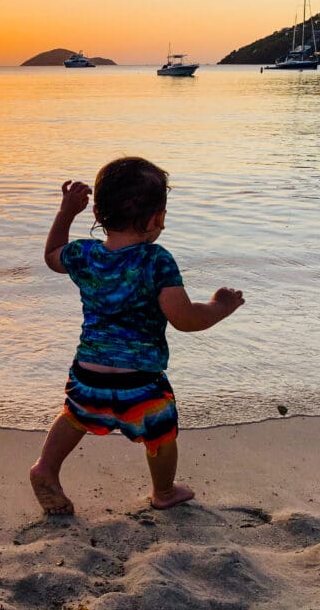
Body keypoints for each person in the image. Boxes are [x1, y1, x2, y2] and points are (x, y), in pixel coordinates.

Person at [29, 156, 244, 515]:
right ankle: (163, 491)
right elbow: (185, 319)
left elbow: (52, 256)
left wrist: (66, 212)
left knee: (75, 416)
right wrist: (220, 306)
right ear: (158, 217)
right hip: (140, 381)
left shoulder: (84, 254)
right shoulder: (156, 261)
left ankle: (45, 467)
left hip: (88, 372)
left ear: (97, 214)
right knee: (160, 434)